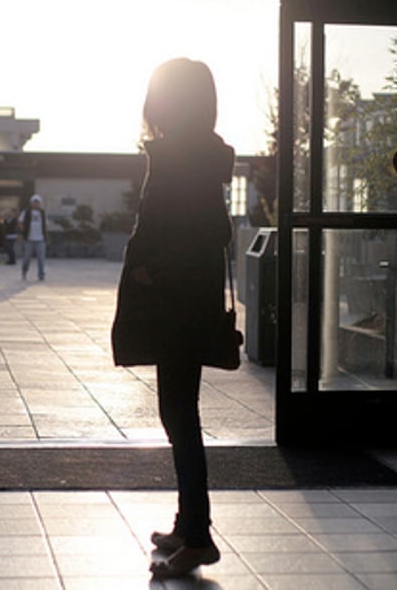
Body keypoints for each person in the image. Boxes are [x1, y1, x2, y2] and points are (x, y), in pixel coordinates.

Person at [110, 58, 234, 578]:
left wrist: (148, 271)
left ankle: (200, 537)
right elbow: (215, 230)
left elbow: (187, 229)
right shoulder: (203, 156)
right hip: (189, 301)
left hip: (174, 303)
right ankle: (187, 524)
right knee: (177, 414)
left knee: (181, 417)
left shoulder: (181, 157)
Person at [18, 195, 47, 281]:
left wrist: (45, 235)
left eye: (37, 202)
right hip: (29, 238)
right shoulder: (26, 212)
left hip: (40, 238)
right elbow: (20, 222)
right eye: (34, 202)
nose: (36, 204)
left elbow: (45, 224)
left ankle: (41, 274)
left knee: (41, 257)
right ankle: (24, 271)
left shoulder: (42, 213)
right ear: (31, 203)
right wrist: (24, 231)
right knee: (27, 257)